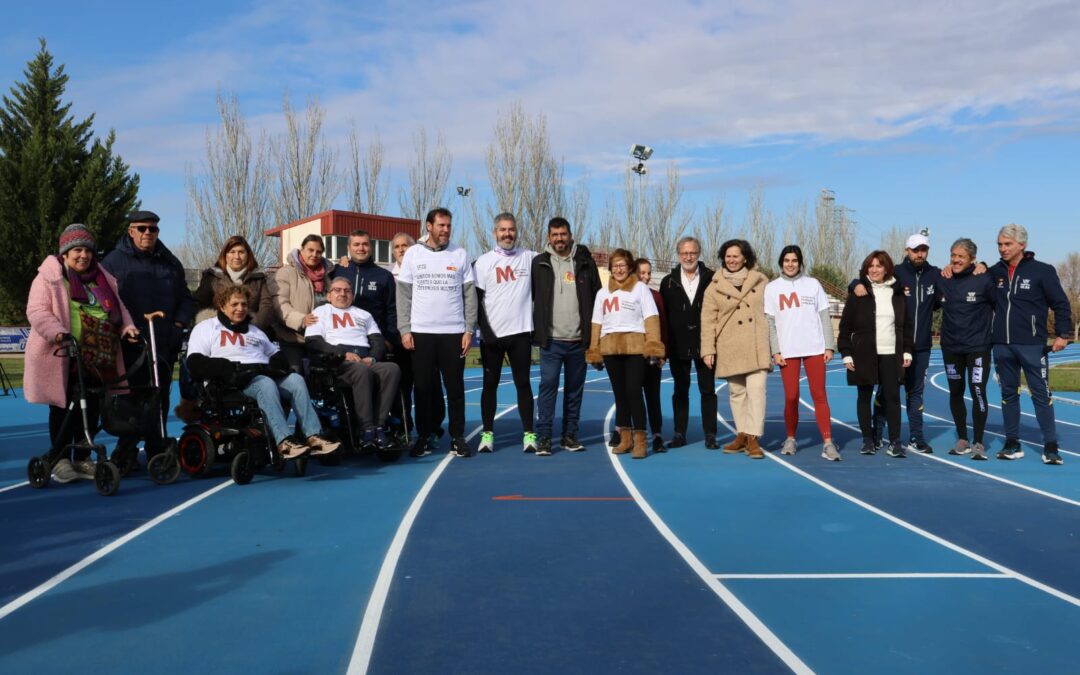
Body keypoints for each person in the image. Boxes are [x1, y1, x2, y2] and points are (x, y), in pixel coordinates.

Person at [25, 224, 139, 482]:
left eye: (88, 250)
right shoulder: (48, 277)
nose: (84, 256)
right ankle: (61, 458)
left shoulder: (103, 278)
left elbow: (119, 310)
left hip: (98, 356)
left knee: (93, 406)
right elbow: (37, 311)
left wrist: (128, 328)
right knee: (64, 406)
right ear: (64, 253)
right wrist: (58, 333)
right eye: (77, 250)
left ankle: (83, 456)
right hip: (64, 354)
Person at [187, 285, 340, 460]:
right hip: (231, 381)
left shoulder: (256, 331)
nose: (240, 309)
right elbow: (194, 362)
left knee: (296, 380)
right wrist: (225, 368)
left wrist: (274, 367)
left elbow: (277, 356)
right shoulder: (206, 328)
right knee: (264, 383)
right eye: (234, 304)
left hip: (260, 373)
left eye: (244, 304)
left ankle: (314, 436)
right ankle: (284, 441)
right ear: (222, 306)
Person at [101, 210, 194, 467]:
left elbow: (186, 298)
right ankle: (127, 449)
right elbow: (105, 302)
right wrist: (121, 328)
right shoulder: (113, 262)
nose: (147, 234)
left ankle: (157, 447)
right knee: (132, 397)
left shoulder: (169, 261)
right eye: (141, 228)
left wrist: (178, 324)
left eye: (152, 229)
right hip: (131, 344)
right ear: (130, 231)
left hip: (164, 341)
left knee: (160, 395)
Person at [396, 207, 477, 458]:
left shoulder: (460, 254)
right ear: (429, 226)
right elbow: (404, 295)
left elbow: (469, 294)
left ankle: (457, 437)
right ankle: (423, 436)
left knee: (455, 389)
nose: (446, 230)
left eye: (449, 226)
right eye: (441, 225)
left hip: (453, 333)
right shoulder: (413, 254)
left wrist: (469, 329)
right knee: (422, 388)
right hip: (421, 333)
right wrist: (405, 329)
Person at [988, 223, 1072, 464]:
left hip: (1032, 345)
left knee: (1040, 394)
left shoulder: (1042, 271)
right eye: (1000, 245)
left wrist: (1063, 334)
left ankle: (1051, 445)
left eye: (1007, 244)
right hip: (1002, 345)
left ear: (1022, 245)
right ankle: (1012, 442)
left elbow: (1061, 304)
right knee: (1008, 393)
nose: (1002, 249)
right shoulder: (995, 272)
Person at [851, 233, 940, 453]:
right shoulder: (896, 273)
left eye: (923, 249)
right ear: (907, 250)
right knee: (886, 392)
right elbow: (868, 280)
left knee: (916, 393)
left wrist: (982, 266)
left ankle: (916, 437)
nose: (920, 253)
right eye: (915, 249)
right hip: (896, 346)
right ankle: (878, 434)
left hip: (921, 347)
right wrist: (854, 283)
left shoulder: (935, 274)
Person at [531, 217, 603, 456]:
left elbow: (598, 297)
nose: (559, 238)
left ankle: (569, 435)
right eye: (555, 234)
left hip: (578, 341)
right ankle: (543, 437)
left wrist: (595, 338)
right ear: (548, 237)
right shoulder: (539, 263)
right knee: (547, 388)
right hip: (551, 341)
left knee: (574, 391)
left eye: (563, 234)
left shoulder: (584, 262)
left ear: (570, 235)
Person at [305, 277, 402, 450]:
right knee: (361, 371)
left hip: (365, 360)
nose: (342, 294)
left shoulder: (363, 314)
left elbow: (377, 341)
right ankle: (366, 429)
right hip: (337, 363)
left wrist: (372, 358)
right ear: (329, 295)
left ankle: (379, 425)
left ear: (353, 295)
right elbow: (313, 341)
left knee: (391, 369)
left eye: (347, 291)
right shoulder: (320, 312)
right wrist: (342, 354)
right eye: (337, 290)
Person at [586, 250, 665, 458]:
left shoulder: (640, 289)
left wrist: (653, 346)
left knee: (633, 392)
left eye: (622, 265)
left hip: (634, 347)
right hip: (611, 348)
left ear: (629, 267)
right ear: (611, 268)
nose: (618, 269)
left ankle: (641, 440)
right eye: (615, 265)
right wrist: (594, 349)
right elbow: (596, 323)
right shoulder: (602, 294)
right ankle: (626, 438)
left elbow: (651, 318)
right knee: (620, 395)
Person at [765, 245, 839, 461]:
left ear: (800, 263)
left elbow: (824, 316)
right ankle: (790, 438)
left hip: (814, 349)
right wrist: (775, 351)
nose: (790, 264)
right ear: (781, 263)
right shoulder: (772, 288)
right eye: (786, 260)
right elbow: (770, 323)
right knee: (791, 396)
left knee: (819, 395)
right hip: (787, 351)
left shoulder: (813, 284)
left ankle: (827, 442)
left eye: (794, 260)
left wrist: (828, 346)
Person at [837, 251, 914, 457]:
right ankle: (868, 440)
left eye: (879, 266)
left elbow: (906, 326)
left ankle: (895, 441)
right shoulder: (858, 293)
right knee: (864, 397)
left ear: (887, 268)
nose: (874, 269)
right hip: (864, 353)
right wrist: (846, 353)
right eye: (871, 266)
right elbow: (844, 328)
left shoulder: (897, 293)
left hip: (891, 353)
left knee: (892, 397)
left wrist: (907, 350)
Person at [701, 239, 772, 459]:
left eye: (736, 256)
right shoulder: (713, 286)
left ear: (745, 258)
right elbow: (708, 320)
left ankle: (753, 437)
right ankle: (741, 434)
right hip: (730, 343)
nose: (731, 260)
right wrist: (707, 349)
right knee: (737, 393)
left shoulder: (761, 281)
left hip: (756, 343)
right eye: (728, 256)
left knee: (757, 391)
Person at [473, 213, 538, 454]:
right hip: (492, 337)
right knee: (489, 385)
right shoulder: (483, 262)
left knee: (523, 384)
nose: (507, 234)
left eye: (511, 229)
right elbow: (476, 300)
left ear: (516, 231)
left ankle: (529, 434)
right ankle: (487, 434)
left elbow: (555, 259)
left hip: (520, 333)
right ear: (495, 233)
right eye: (503, 230)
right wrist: (486, 331)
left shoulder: (529, 258)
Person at [938, 238, 995, 460]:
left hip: (978, 347)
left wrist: (986, 265)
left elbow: (1000, 303)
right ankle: (962, 438)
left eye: (960, 256)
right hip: (951, 347)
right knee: (955, 391)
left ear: (972, 258)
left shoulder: (984, 279)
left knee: (978, 390)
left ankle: (979, 441)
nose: (955, 260)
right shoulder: (943, 278)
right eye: (953, 255)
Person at [659, 236, 718, 449]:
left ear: (699, 253)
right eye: (684, 253)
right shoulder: (668, 281)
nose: (688, 256)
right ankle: (679, 433)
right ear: (678, 255)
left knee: (708, 390)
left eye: (692, 252)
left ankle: (710, 434)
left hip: (706, 345)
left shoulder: (712, 278)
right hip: (678, 346)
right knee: (680, 390)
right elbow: (663, 317)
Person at [272, 234, 335, 372]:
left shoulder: (328, 277)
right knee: (295, 373)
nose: (314, 254)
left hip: (321, 339)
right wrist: (301, 319)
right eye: (310, 250)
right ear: (301, 250)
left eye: (319, 252)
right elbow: (280, 304)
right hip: (293, 338)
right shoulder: (285, 273)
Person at [193, 236, 275, 333]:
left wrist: (249, 328)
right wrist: (217, 326)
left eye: (241, 252)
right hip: (217, 333)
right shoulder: (212, 277)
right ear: (225, 255)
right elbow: (198, 304)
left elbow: (266, 307)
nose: (237, 256)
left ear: (248, 255)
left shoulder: (259, 278)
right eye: (232, 252)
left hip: (251, 332)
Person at [635, 258, 668, 454]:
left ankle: (657, 435)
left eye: (648, 273)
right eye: (642, 273)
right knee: (632, 396)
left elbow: (662, 325)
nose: (646, 277)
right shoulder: (625, 295)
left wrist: (662, 353)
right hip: (632, 356)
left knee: (653, 396)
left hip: (652, 356)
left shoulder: (656, 296)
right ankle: (624, 430)